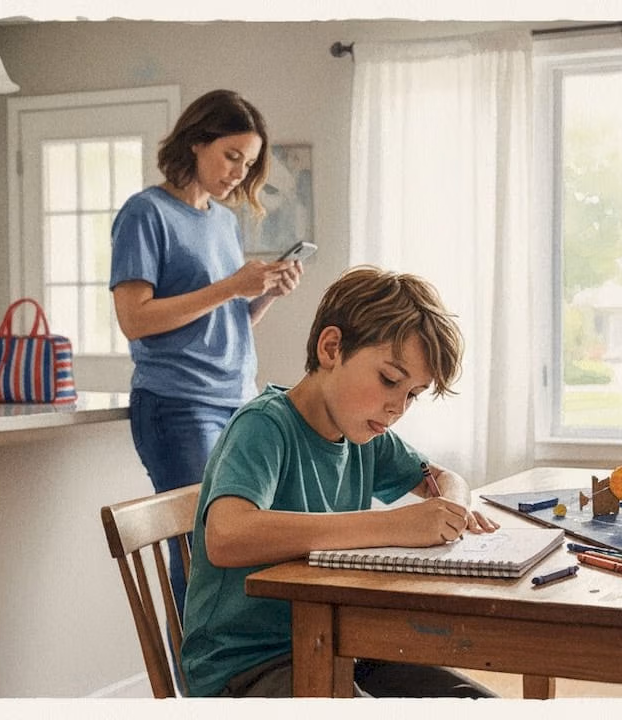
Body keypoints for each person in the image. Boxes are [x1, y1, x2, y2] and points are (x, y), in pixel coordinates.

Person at [181, 265, 501, 698]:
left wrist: (453, 507)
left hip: (340, 644)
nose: (398, 408)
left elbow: (442, 477)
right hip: (245, 669)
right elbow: (226, 535)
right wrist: (392, 526)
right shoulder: (264, 425)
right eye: (389, 380)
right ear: (331, 348)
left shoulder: (364, 435)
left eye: (412, 394)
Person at [110, 89, 303, 618]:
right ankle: (196, 667)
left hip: (235, 401)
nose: (240, 172)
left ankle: (233, 663)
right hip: (177, 405)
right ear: (196, 142)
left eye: (250, 163)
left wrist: (263, 294)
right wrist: (232, 286)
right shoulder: (145, 213)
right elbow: (135, 320)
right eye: (232, 156)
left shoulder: (221, 221)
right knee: (201, 551)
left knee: (238, 546)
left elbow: (223, 321)